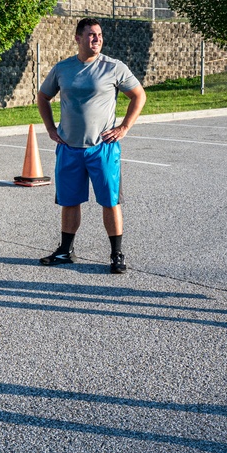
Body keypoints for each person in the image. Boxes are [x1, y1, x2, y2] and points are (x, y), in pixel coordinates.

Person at [37, 18, 146, 273]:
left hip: (102, 148)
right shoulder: (63, 68)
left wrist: (124, 128)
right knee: (69, 201)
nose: (96, 39)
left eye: (99, 35)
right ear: (78, 38)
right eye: (90, 35)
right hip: (69, 148)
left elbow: (138, 95)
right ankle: (66, 251)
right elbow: (43, 96)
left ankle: (116, 254)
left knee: (110, 201)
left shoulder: (113, 67)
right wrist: (51, 129)